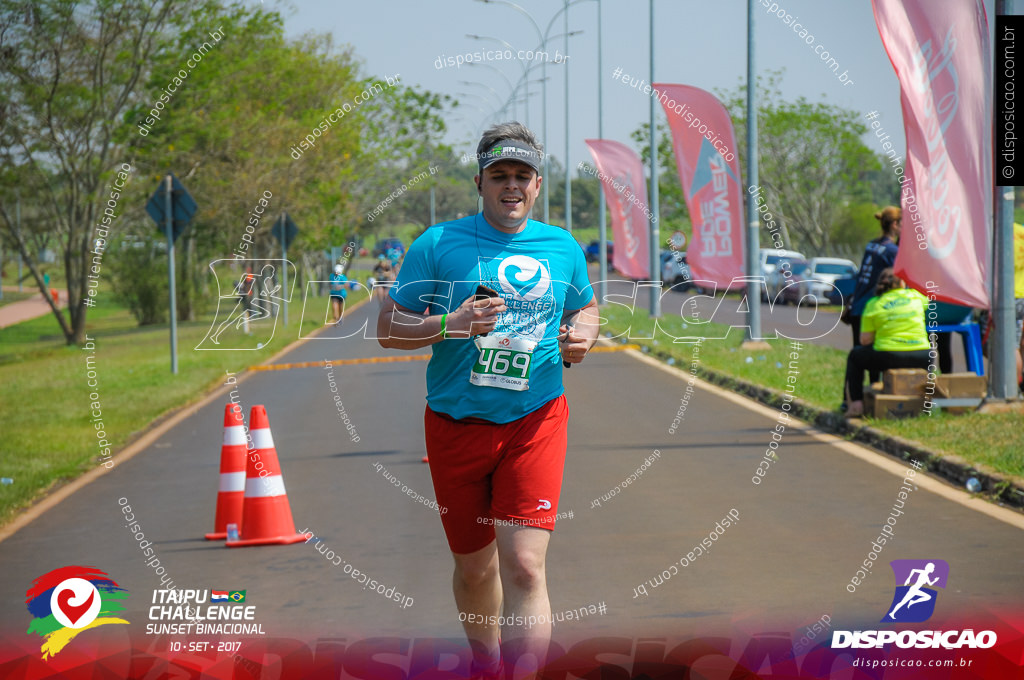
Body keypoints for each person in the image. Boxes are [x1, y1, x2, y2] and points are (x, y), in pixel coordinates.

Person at [376, 121, 599, 680]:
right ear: (480, 182)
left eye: (522, 176)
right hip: (455, 424)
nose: (511, 186)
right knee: (476, 571)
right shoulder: (438, 244)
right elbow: (387, 327)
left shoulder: (562, 247)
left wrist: (584, 333)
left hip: (536, 418)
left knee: (524, 566)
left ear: (538, 184)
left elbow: (586, 308)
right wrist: (451, 324)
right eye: (499, 175)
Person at [843, 268, 931, 417]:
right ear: (902, 283)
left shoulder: (874, 304)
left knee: (855, 356)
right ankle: (926, 404)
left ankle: (856, 405)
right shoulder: (917, 297)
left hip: (889, 356)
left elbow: (865, 340)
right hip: (923, 355)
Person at [847, 206, 901, 346]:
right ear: (895, 224)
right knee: (874, 355)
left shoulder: (871, 245)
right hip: (872, 309)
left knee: (858, 354)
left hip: (857, 305)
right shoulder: (892, 251)